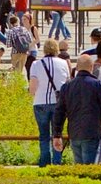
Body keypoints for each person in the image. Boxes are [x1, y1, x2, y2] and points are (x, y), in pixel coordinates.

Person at [57, 55, 101, 165]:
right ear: (92, 67)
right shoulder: (98, 85)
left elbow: (60, 111)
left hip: (74, 133)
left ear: (77, 67)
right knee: (90, 168)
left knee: (79, 166)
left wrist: (57, 134)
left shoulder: (67, 86)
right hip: (92, 132)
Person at [26, 39, 70, 167]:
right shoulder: (63, 63)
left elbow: (33, 87)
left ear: (44, 50)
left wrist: (32, 92)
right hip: (58, 104)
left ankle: (44, 162)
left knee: (44, 134)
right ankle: (57, 162)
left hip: (40, 102)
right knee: (57, 133)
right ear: (57, 49)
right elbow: (67, 84)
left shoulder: (36, 64)